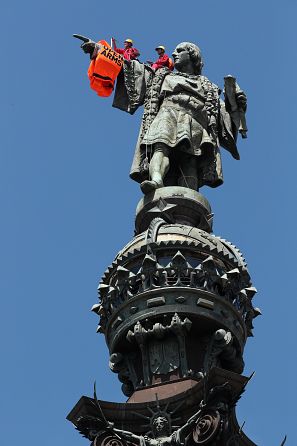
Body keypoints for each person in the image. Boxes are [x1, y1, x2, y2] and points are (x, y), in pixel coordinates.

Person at [112, 42, 247, 195]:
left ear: (192, 55)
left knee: (190, 160)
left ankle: (188, 197)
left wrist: (234, 103)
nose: (174, 54)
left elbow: (224, 117)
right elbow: (134, 70)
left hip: (195, 122)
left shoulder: (209, 87)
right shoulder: (162, 75)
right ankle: (156, 179)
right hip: (168, 114)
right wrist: (99, 51)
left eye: (179, 51)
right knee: (161, 147)